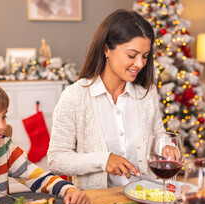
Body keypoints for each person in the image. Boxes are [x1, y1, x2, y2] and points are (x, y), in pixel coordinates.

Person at [47, 9, 168, 190]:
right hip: (98, 203)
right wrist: (103, 160)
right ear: (106, 49)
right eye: (131, 55)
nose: (140, 64)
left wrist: (166, 147)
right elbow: (56, 159)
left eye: (145, 56)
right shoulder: (74, 97)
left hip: (146, 197)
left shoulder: (146, 93)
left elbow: (158, 135)